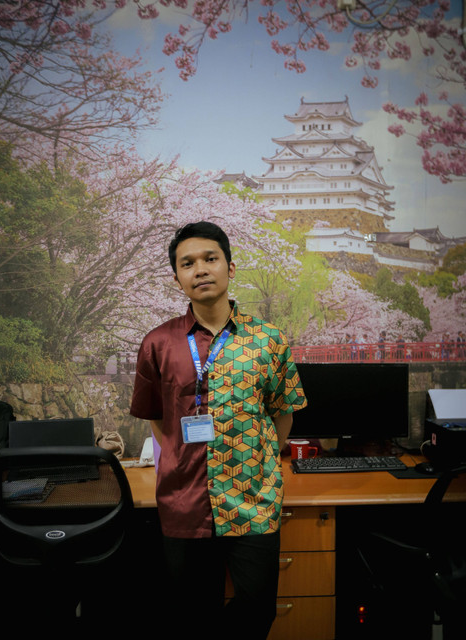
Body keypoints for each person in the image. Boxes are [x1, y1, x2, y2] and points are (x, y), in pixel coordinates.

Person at [130, 221, 307, 639]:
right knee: (192, 616)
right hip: (185, 500)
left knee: (257, 609)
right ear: (178, 279)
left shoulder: (269, 340)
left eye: (211, 259)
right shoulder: (157, 343)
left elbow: (284, 412)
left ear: (230, 267)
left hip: (253, 500)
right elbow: (156, 415)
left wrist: (260, 457)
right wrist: (176, 454)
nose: (201, 269)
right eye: (187, 263)